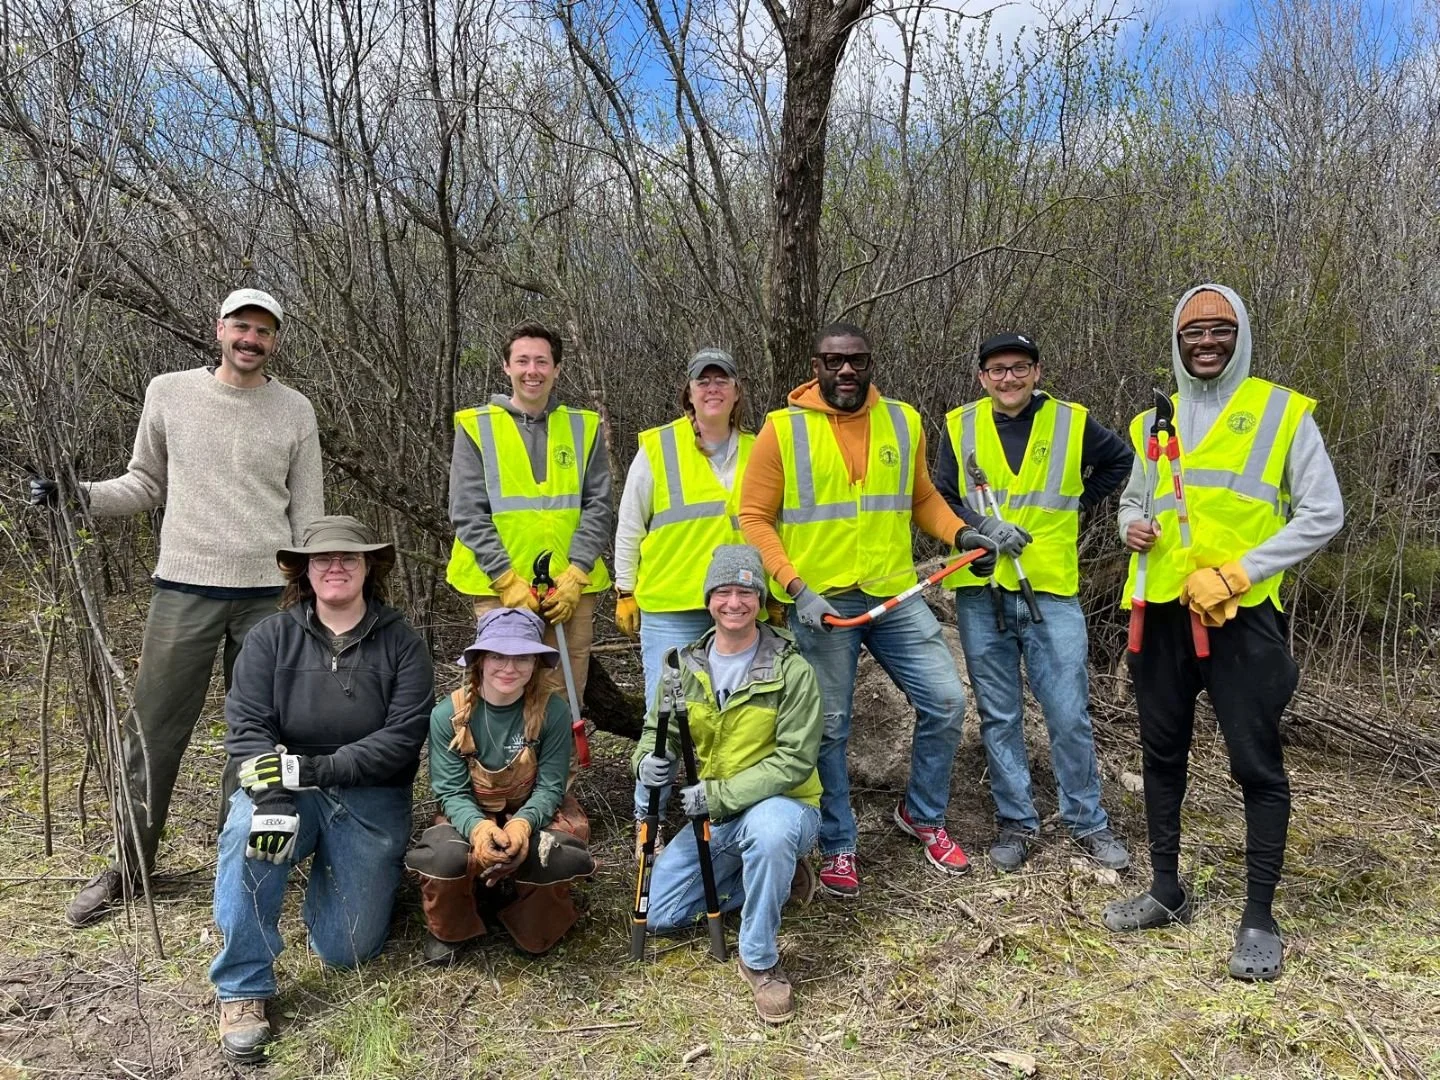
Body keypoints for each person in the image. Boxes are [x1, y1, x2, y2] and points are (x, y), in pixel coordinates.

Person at [31, 288, 324, 928]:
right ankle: (129, 863)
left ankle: (236, 854)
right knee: (153, 728)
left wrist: (315, 591)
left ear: (275, 340)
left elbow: (309, 517)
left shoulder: (295, 410)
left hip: (268, 597)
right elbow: (143, 483)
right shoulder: (170, 392)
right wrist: (76, 496)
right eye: (241, 326)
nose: (251, 339)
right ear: (218, 329)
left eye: (264, 331)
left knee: (258, 733)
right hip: (184, 587)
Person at [1105, 285, 1343, 982]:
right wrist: (1129, 524)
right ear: (1176, 341)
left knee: (1256, 765)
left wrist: (1239, 572)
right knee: (1161, 755)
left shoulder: (1282, 412)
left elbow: (1323, 513)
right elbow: (1134, 498)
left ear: (1240, 334)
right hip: (1161, 613)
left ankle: (1259, 918)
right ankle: (1166, 890)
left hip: (1239, 620)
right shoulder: (1158, 418)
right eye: (1192, 332)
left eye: (1219, 330)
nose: (1205, 342)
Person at [739, 321, 996, 898]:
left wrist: (961, 536)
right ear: (817, 366)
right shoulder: (781, 431)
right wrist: (794, 586)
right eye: (834, 362)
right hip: (822, 604)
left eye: (856, 360)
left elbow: (922, 498)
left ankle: (923, 815)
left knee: (947, 700)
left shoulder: (903, 421)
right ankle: (838, 843)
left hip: (893, 593)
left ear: (871, 362)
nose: (846, 371)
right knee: (829, 727)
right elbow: (753, 518)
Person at [209, 516, 434, 1062]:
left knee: (345, 950)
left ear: (368, 568)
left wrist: (315, 770)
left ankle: (333, 887)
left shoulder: (403, 643)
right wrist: (274, 797)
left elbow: (402, 740)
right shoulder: (270, 637)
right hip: (286, 790)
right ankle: (243, 987)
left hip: (369, 797)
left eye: (349, 558)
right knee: (251, 831)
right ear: (305, 572)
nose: (336, 567)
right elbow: (247, 726)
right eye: (323, 559)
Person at [934, 332, 1133, 873]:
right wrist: (980, 526)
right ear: (982, 376)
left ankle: (1088, 821)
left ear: (1037, 371)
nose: (1009, 379)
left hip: (1051, 588)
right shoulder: (960, 425)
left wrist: (1076, 506)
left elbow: (1120, 462)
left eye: (1019, 368)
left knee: (1069, 713)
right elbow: (942, 497)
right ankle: (1016, 823)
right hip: (982, 591)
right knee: (1000, 716)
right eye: (997, 370)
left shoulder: (1071, 421)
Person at [635, 545, 822, 1024]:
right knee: (660, 914)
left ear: (760, 600)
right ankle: (778, 878)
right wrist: (647, 762)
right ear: (708, 599)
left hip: (782, 808)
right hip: (716, 818)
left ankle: (758, 958)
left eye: (745, 591)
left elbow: (794, 761)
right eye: (723, 591)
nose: (733, 602)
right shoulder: (682, 667)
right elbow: (660, 734)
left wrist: (716, 795)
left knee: (772, 831)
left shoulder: (792, 670)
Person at [614, 347, 777, 847]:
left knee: (737, 717)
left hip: (739, 607)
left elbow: (777, 525)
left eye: (721, 380)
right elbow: (629, 522)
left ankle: (727, 819)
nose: (712, 389)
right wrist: (625, 588)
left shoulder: (760, 449)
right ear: (688, 391)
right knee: (662, 719)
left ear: (736, 390)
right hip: (671, 605)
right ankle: (650, 825)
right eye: (702, 381)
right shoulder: (659, 448)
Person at [405, 607, 595, 964]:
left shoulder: (553, 712)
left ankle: (532, 924)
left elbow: (551, 787)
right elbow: (451, 793)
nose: (509, 668)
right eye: (497, 656)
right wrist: (478, 831)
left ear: (536, 663)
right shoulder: (448, 715)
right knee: (442, 856)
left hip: (531, 809)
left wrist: (522, 825)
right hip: (471, 811)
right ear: (478, 661)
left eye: (522, 657)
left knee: (558, 854)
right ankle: (451, 928)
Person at [446, 320, 614, 710]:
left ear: (556, 368)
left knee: (562, 698)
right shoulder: (477, 427)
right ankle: (498, 774)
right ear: (506, 367)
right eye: (522, 361)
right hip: (499, 589)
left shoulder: (582, 427)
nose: (532, 371)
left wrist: (576, 573)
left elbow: (599, 504)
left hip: (570, 590)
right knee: (500, 695)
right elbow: (468, 511)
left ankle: (558, 773)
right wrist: (506, 579)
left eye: (542, 361)